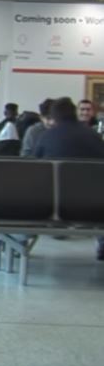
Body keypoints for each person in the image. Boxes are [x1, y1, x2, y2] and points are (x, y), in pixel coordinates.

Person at [34, 97, 104, 260]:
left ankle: (19, 241)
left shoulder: (47, 136)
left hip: (51, 204)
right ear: (74, 113)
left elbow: (34, 166)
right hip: (92, 204)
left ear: (54, 117)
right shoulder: (93, 136)